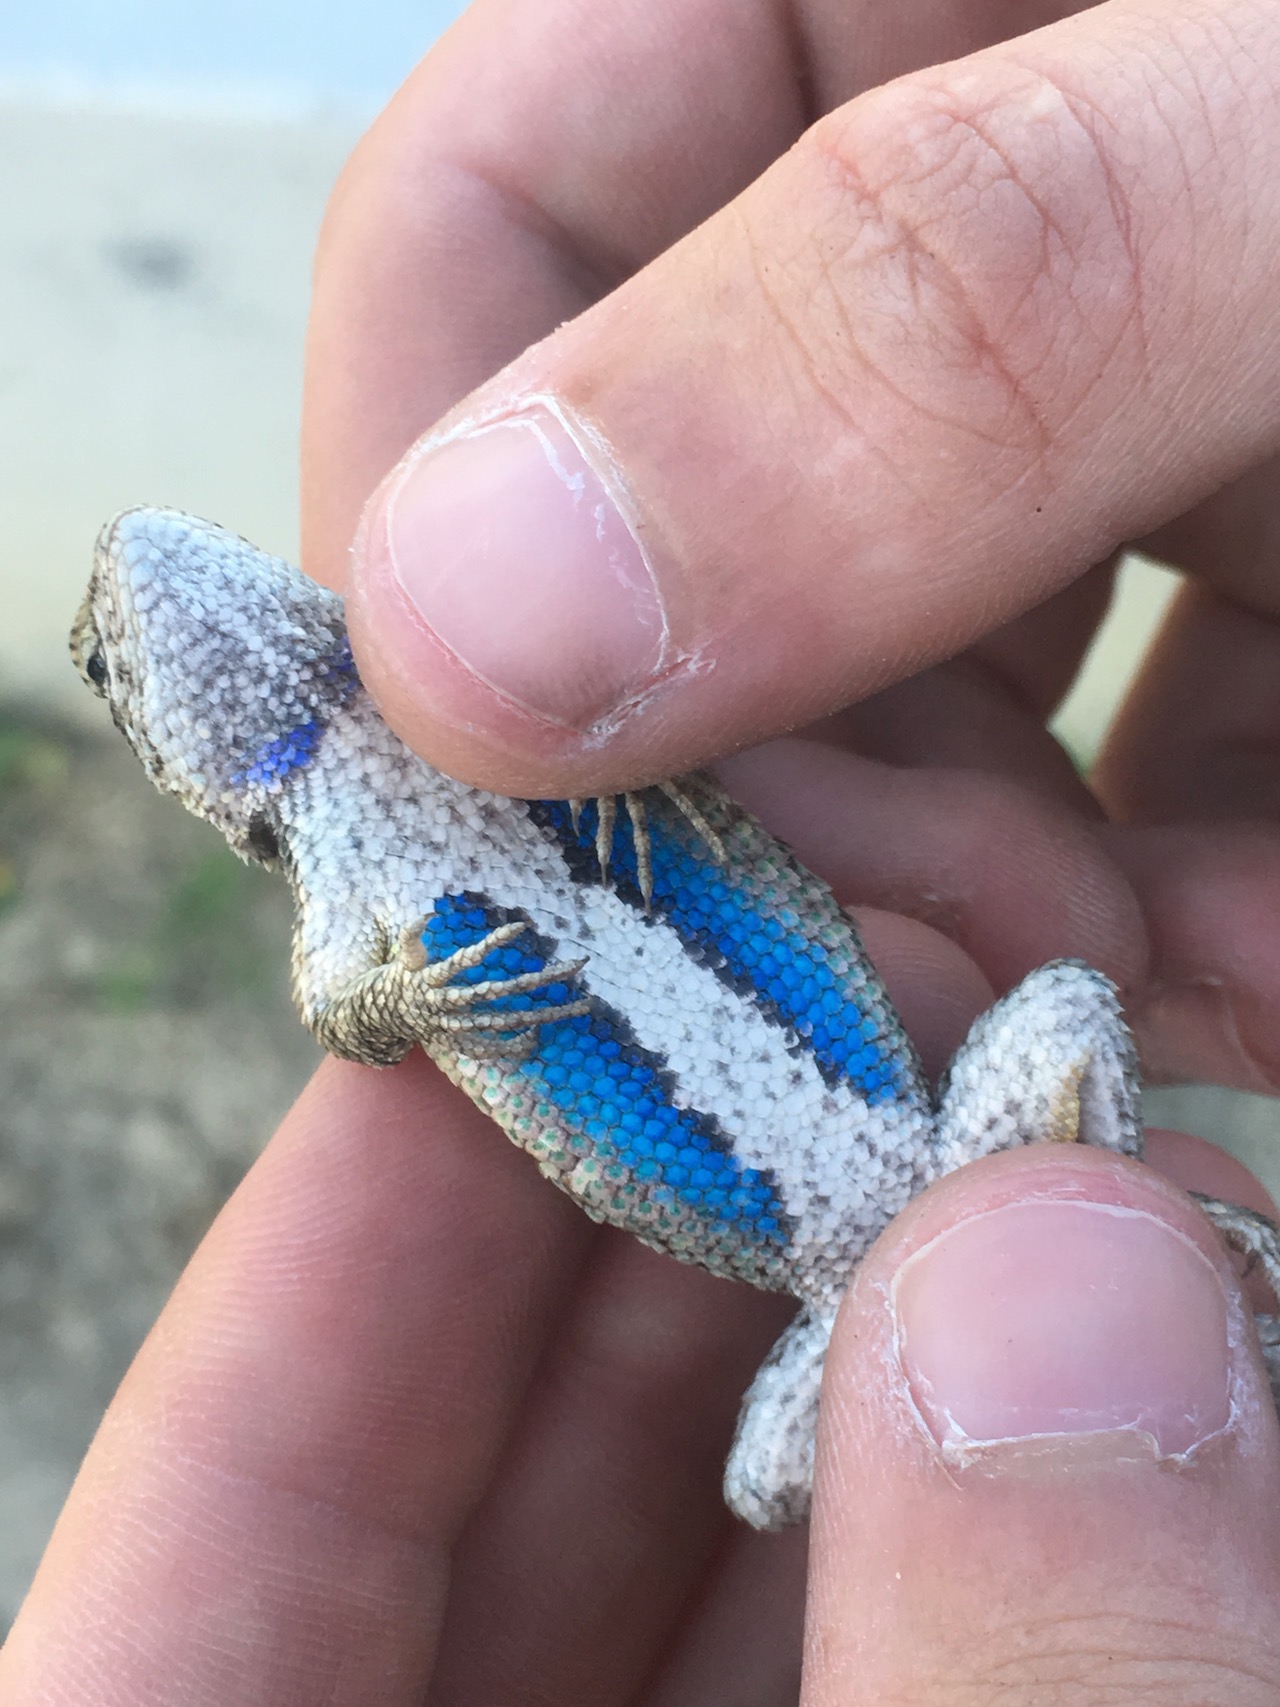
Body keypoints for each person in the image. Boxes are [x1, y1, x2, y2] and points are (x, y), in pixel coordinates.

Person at [6, 0, 1280, 1698]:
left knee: (1056, 995)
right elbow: (349, 1008)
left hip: (903, 1116)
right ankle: (1092, 1326)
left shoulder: (452, 703)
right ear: (175, 757)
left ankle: (1148, 1266)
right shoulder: (339, 888)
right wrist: (398, 980)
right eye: (111, 656)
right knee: (763, 1472)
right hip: (823, 1273)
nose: (145, 600)